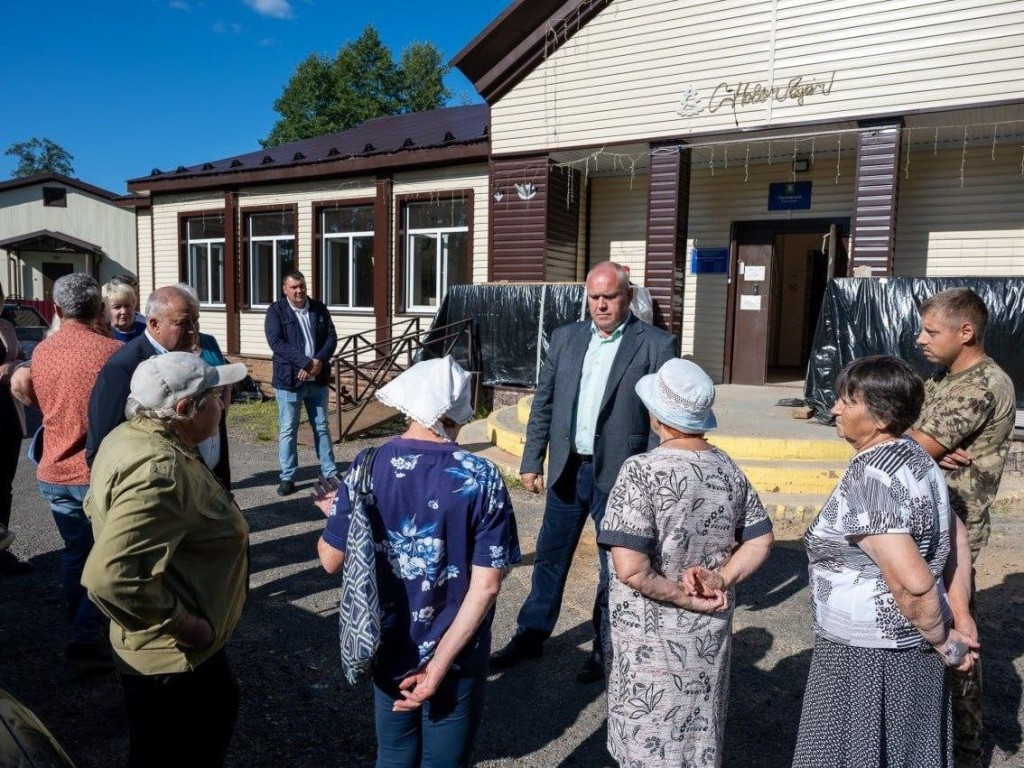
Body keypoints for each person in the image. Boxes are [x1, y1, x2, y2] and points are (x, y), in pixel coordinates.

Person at [315, 356, 520, 768]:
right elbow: (488, 585)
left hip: (388, 643)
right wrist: (439, 666)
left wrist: (339, 514)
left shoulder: (365, 467)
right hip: (458, 653)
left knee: (393, 753)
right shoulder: (482, 475)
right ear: (456, 410)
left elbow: (330, 561)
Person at [490, 261, 677, 684]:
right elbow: (545, 403)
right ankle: (530, 635)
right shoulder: (565, 338)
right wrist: (531, 459)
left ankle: (603, 648)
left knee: (614, 568)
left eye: (609, 296)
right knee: (551, 557)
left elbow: (659, 419)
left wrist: (649, 478)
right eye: (594, 297)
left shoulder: (657, 345)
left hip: (621, 476)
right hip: (567, 470)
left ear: (628, 297)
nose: (601, 305)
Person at [793, 355, 978, 768]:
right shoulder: (915, 456)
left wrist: (945, 643)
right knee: (908, 751)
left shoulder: (871, 476)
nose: (835, 408)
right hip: (913, 647)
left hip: (868, 656)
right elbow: (957, 535)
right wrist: (959, 616)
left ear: (878, 418)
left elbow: (912, 582)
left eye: (847, 401)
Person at [598, 358, 774, 767]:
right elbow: (760, 539)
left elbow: (632, 569)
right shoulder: (727, 468)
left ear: (659, 417)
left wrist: (684, 597)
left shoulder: (640, 471)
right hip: (706, 640)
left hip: (649, 645)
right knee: (697, 741)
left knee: (648, 743)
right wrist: (722, 578)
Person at [82, 352, 249, 768]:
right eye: (215, 396)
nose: (223, 404)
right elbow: (110, 578)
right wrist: (186, 625)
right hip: (175, 662)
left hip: (174, 656)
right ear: (183, 409)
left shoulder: (131, 436)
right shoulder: (159, 468)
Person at [907, 287, 1016, 768]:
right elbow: (912, 434)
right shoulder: (946, 376)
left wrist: (917, 443)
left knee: (954, 632)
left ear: (965, 332)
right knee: (925, 626)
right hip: (930, 517)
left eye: (932, 331)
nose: (920, 339)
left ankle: (967, 747)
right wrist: (919, 440)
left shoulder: (979, 385)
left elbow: (902, 447)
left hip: (955, 530)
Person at [20, 273, 123, 665]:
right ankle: (85, 633)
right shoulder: (113, 353)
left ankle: (77, 616)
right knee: (107, 558)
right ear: (99, 309)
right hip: (95, 475)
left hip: (52, 471)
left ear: (58, 311)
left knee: (75, 552)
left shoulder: (42, 352)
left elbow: (30, 392)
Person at [85, 284, 233, 490]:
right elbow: (101, 447)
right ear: (154, 324)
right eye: (183, 323)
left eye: (195, 320)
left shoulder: (190, 355)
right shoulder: (122, 367)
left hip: (207, 484)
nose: (193, 330)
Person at [265, 270, 338, 496]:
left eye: (302, 286)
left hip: (318, 380)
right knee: (288, 429)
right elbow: (276, 342)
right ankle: (287, 477)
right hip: (290, 380)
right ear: (284, 289)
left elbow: (331, 337)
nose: (299, 291)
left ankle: (330, 472)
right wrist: (305, 363)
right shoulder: (276, 311)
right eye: (294, 287)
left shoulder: (318, 308)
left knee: (322, 427)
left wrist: (317, 362)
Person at [0, 280, 30, 575]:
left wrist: (15, 366)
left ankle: (2, 548)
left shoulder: (5, 326)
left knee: (4, 484)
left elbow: (20, 358)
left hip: (7, 413)